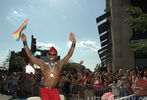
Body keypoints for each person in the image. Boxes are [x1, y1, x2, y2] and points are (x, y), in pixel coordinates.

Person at [21, 32, 76, 100]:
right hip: (44, 90)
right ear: (48, 55)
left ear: (56, 56)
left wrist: (73, 43)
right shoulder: (43, 64)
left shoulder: (59, 64)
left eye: (53, 54)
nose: (51, 56)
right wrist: (24, 42)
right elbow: (30, 55)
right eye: (50, 54)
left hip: (54, 90)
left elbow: (68, 55)